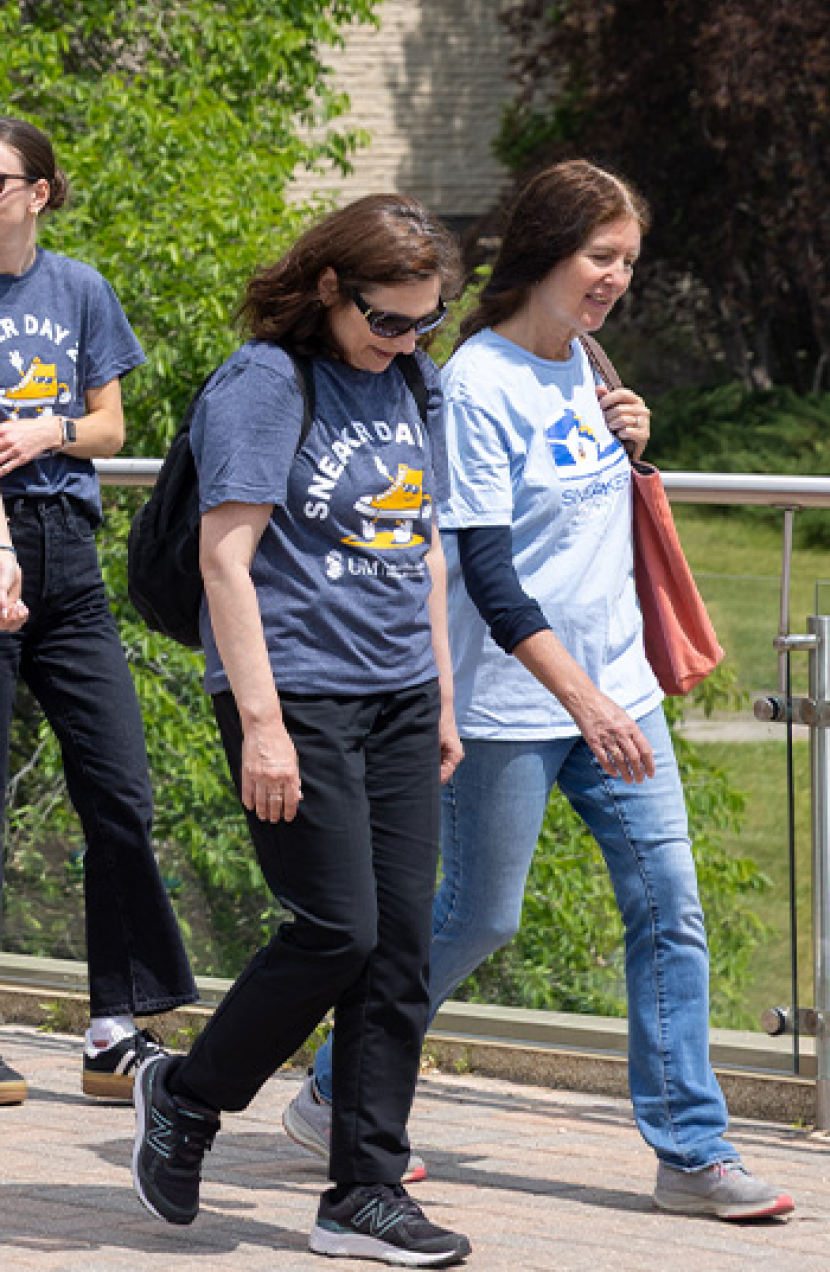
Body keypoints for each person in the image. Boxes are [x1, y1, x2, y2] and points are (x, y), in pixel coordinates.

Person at [291, 161, 793, 1223]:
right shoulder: (472, 381)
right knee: (476, 918)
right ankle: (334, 1091)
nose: (614, 278)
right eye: (598, 256)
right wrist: (583, 702)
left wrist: (631, 444)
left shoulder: (583, 361)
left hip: (615, 689)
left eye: (627, 262)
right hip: (513, 703)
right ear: (545, 250)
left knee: (670, 911)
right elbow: (487, 572)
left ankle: (690, 1150)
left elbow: (583, 511)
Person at [126, 194, 474, 1267]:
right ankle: (186, 1094)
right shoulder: (266, 383)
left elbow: (419, 545)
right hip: (297, 695)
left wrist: (444, 694)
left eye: (427, 323)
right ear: (329, 289)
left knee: (401, 949)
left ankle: (361, 1194)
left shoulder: (409, 379)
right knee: (338, 929)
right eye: (387, 321)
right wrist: (262, 727)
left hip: (400, 695)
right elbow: (225, 557)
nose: (407, 342)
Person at [0, 116, 194, 1108]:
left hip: (72, 557)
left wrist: (54, 428)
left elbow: (110, 425)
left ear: (39, 192)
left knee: (118, 791)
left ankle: (116, 1028)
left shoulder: (80, 289)